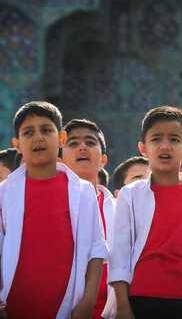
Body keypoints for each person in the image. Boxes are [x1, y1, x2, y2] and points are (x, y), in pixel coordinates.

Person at [109, 106, 182, 319]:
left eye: (174, 139)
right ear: (143, 148)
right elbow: (120, 253)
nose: (165, 146)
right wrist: (123, 306)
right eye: (156, 139)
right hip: (143, 299)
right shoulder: (130, 195)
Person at [2, 101, 107, 317]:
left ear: (61, 138)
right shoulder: (4, 193)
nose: (38, 137)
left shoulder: (82, 191)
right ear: (18, 144)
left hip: (67, 307)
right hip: (14, 306)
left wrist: (88, 302)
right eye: (28, 132)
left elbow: (96, 250)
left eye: (46, 130)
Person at [61, 118, 116, 319]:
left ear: (103, 160)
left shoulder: (121, 210)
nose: (82, 147)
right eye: (73, 143)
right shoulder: (53, 206)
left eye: (90, 143)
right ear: (59, 160)